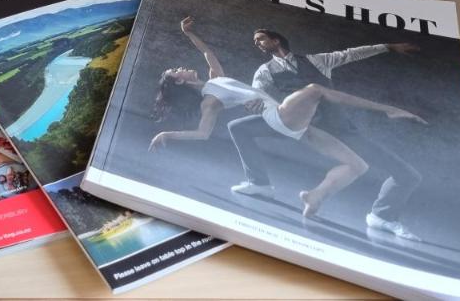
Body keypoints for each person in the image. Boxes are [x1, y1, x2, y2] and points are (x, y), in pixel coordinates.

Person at [149, 17, 424, 218]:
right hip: (278, 116)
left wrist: (189, 33)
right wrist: (166, 134)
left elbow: (207, 53)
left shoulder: (215, 78)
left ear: (276, 39)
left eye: (260, 39)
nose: (180, 67)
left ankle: (315, 196)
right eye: (176, 71)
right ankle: (387, 109)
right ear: (180, 82)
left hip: (297, 123)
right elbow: (203, 133)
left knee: (358, 165)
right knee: (315, 89)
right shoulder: (211, 100)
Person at [227, 27, 425, 238]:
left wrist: (387, 47)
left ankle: (381, 215)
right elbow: (255, 94)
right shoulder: (264, 71)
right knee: (238, 127)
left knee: (406, 175)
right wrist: (253, 103)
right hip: (299, 125)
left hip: (337, 128)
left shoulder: (317, 61)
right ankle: (259, 184)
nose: (256, 43)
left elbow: (351, 54)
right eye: (255, 41)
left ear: (276, 40)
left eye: (260, 39)